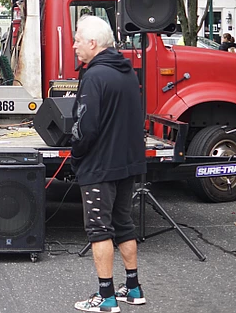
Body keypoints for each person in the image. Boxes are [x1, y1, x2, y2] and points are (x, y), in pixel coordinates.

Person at [71, 15, 147, 312]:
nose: (74, 44)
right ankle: (133, 287)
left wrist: (76, 154)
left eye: (78, 39)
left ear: (93, 43)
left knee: (99, 230)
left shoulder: (94, 75)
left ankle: (106, 296)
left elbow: (85, 126)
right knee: (124, 225)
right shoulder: (127, 71)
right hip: (127, 162)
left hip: (100, 165)